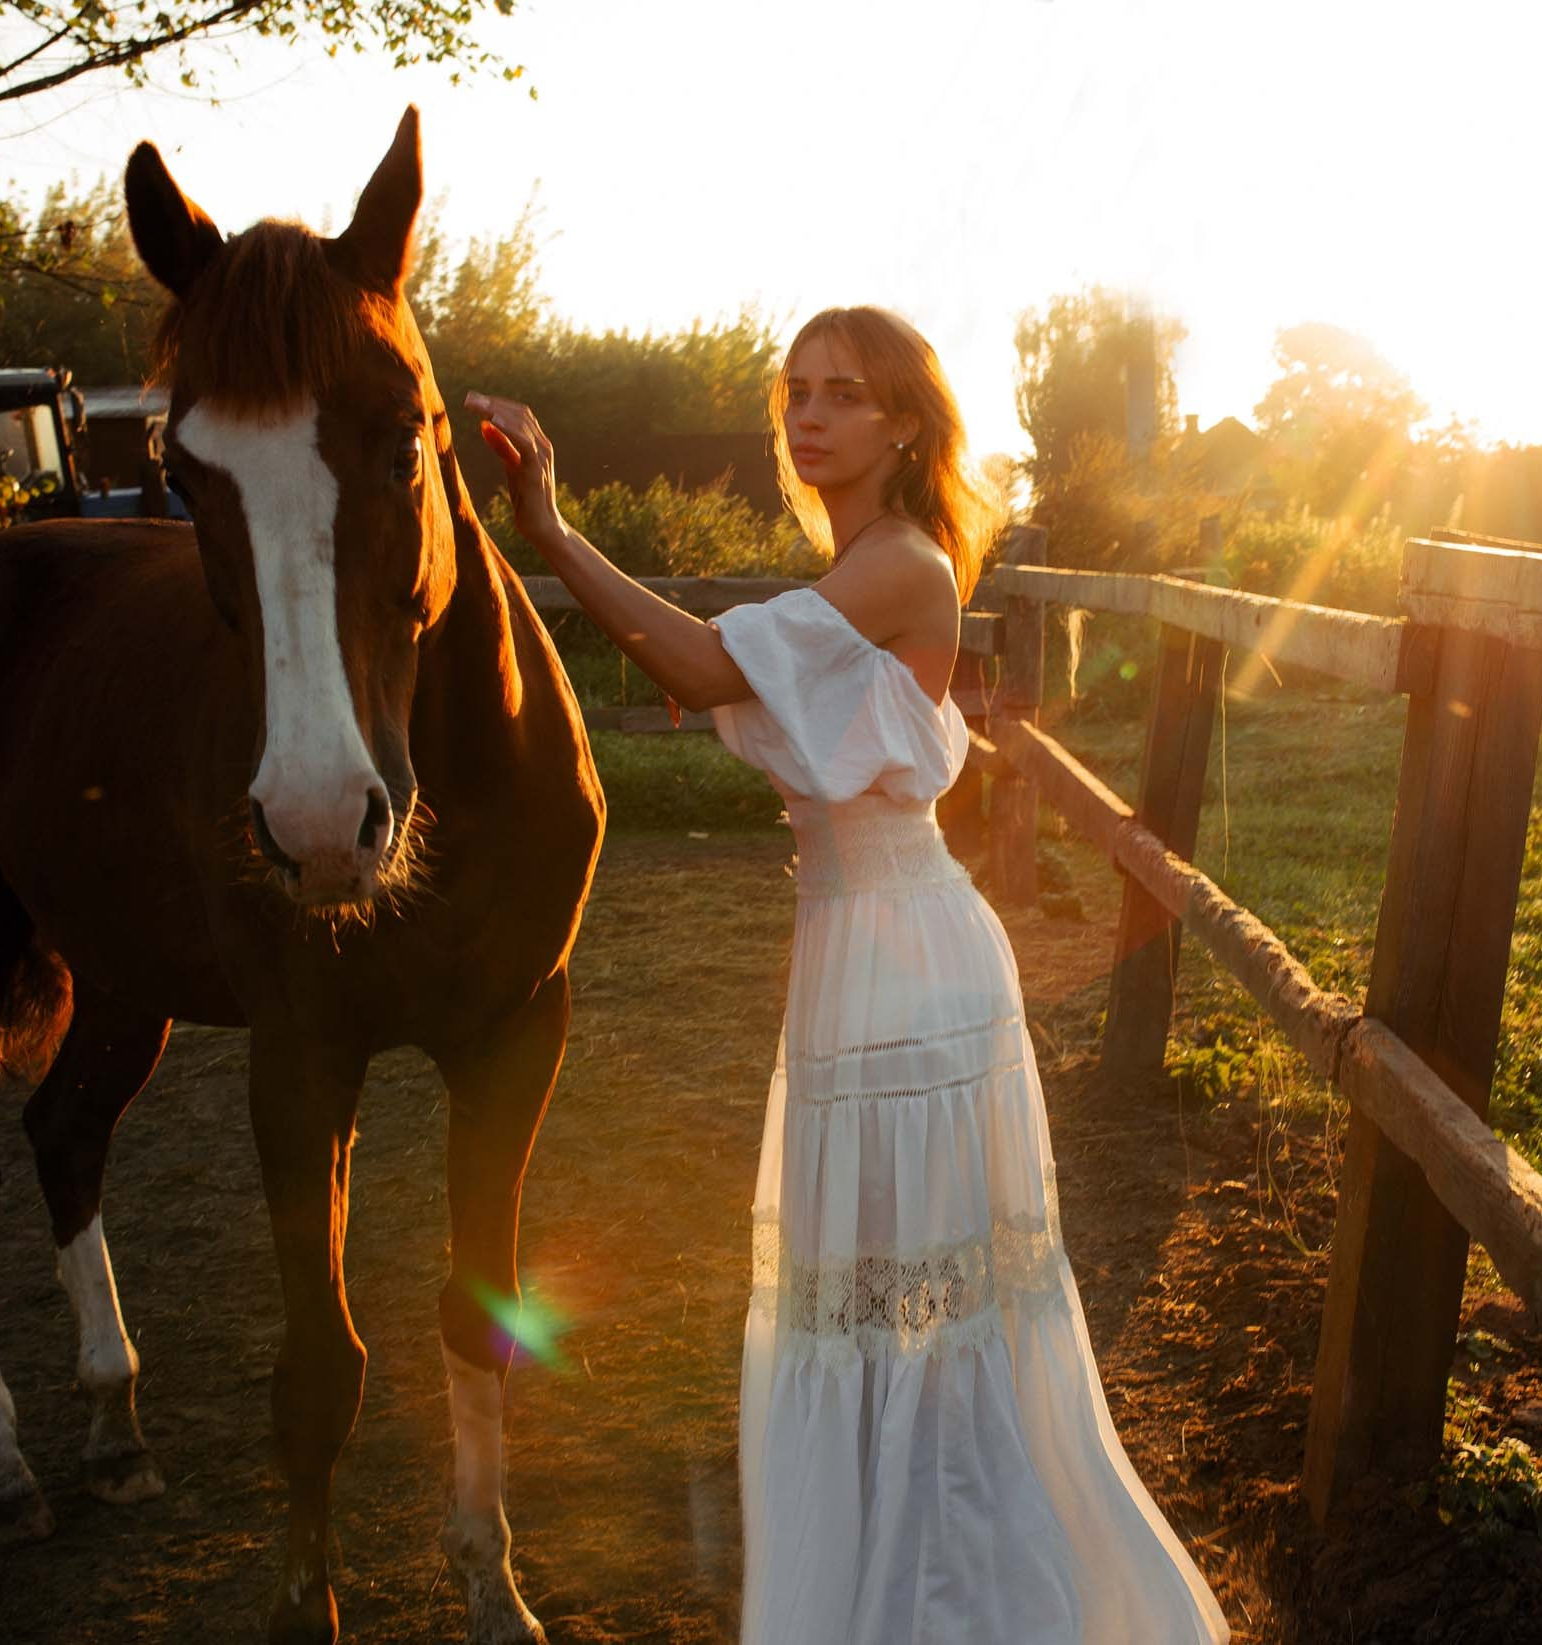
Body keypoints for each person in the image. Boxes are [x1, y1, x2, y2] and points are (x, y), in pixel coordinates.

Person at [469, 305, 1228, 1645]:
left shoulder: (903, 566)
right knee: (868, 1309)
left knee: (920, 1326)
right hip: (847, 960)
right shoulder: (859, 567)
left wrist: (551, 529)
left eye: (842, 394)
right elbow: (743, 681)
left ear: (903, 425)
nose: (807, 416)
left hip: (911, 973)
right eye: (795, 392)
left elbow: (704, 662)